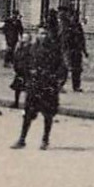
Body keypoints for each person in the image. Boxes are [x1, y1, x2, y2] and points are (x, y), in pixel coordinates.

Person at [12, 20, 68, 150]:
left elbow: (62, 68)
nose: (42, 36)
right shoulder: (31, 49)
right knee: (27, 114)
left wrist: (57, 82)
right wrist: (27, 74)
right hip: (34, 85)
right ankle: (22, 139)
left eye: (45, 34)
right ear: (37, 34)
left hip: (48, 86)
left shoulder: (54, 50)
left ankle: (45, 139)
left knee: (48, 115)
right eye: (40, 33)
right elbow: (21, 63)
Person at [60, 7, 87, 92]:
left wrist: (84, 50)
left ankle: (76, 86)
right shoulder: (65, 26)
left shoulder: (78, 26)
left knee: (77, 69)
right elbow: (62, 38)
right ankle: (60, 84)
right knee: (65, 67)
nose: (75, 18)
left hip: (77, 50)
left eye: (76, 16)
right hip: (67, 49)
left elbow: (82, 39)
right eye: (73, 16)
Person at [10, 29, 33, 108]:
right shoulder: (20, 47)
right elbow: (16, 57)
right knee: (17, 88)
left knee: (27, 89)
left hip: (26, 71)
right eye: (23, 37)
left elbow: (31, 59)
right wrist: (15, 67)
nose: (24, 39)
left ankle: (28, 104)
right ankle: (16, 102)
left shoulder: (31, 48)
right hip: (19, 70)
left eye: (26, 38)